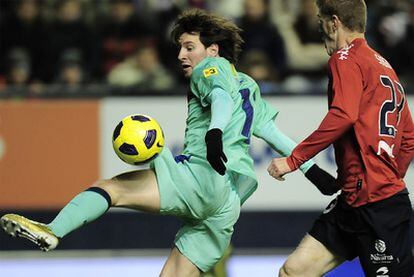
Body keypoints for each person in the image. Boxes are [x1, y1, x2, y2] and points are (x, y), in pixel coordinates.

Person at [1, 9, 338, 276]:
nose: (181, 54)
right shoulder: (249, 85)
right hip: (227, 205)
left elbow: (219, 98)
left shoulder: (212, 68)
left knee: (112, 188)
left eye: (189, 46)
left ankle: (53, 229)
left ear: (213, 50)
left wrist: (214, 133)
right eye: (180, 47)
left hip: (202, 177)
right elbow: (275, 135)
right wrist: (312, 171)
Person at [267, 1, 414, 276]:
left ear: (334, 22)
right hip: (356, 200)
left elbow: (344, 115)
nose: (320, 31)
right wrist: (389, 176)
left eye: (321, 22)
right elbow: (408, 138)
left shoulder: (345, 59)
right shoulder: (385, 67)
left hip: (378, 207)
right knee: (293, 271)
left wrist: (294, 160)